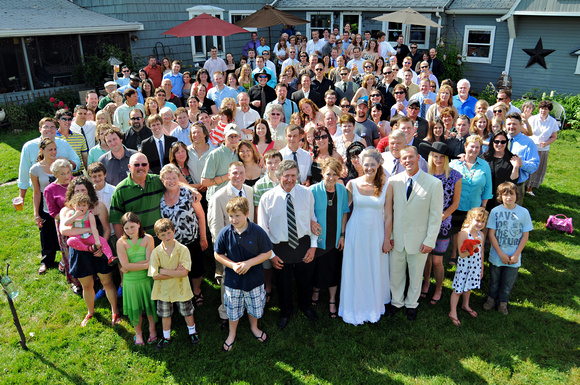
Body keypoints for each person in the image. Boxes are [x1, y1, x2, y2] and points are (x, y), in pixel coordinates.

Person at [258, 160, 318, 330]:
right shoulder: (267, 198)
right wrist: (271, 255)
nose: (290, 179)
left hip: (303, 243)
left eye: (293, 175)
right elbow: (263, 230)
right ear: (279, 177)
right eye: (286, 176)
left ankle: (305, 307)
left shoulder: (306, 194)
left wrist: (313, 246)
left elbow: (313, 221)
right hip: (280, 247)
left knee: (305, 280)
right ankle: (285, 312)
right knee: (283, 283)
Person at [387, 146, 443, 321]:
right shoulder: (394, 181)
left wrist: (430, 240)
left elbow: (435, 216)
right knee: (395, 273)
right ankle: (396, 302)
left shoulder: (434, 183)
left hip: (419, 239)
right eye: (404, 158)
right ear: (401, 161)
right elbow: (390, 212)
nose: (407, 161)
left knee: (416, 274)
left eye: (411, 157)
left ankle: (412, 304)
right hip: (397, 238)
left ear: (418, 158)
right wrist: (389, 237)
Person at [339, 149, 391, 324]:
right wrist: (343, 234)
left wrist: (386, 239)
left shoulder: (386, 185)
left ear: (378, 165)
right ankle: (354, 306)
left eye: (372, 164)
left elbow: (389, 215)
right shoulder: (352, 184)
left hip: (376, 233)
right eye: (366, 164)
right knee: (357, 268)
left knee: (374, 267)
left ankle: (373, 305)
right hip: (356, 232)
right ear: (361, 164)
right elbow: (345, 212)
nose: (369, 168)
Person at [213, 197, 272, 352]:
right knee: (233, 309)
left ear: (247, 213)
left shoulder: (257, 231)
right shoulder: (225, 233)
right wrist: (232, 265)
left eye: (238, 215)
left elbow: (267, 253)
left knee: (255, 307)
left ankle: (254, 327)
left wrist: (249, 263)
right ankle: (232, 333)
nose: (234, 219)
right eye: (231, 216)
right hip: (233, 281)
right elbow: (218, 254)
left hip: (254, 280)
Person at [59, 177, 118, 325]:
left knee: (107, 282)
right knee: (86, 285)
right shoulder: (67, 210)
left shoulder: (98, 207)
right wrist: (89, 229)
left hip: (98, 248)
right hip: (79, 251)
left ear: (89, 191)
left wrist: (99, 247)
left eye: (83, 190)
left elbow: (105, 229)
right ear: (72, 193)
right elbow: (64, 230)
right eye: (76, 190)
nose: (79, 193)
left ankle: (115, 312)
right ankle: (90, 312)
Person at [417, 142, 462, 306]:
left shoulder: (455, 176)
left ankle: (439, 288)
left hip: (443, 223)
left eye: (442, 157)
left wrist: (441, 217)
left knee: (437, 260)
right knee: (426, 258)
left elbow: (455, 203)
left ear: (447, 158)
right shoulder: (423, 174)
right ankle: (426, 283)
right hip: (424, 222)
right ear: (430, 157)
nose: (438, 159)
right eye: (435, 156)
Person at [159, 164, 208, 307]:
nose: (171, 181)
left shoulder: (189, 194)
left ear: (178, 178)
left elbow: (200, 216)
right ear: (162, 180)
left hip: (192, 239)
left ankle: (197, 290)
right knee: (177, 268)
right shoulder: (160, 198)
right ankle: (182, 292)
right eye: (167, 178)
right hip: (172, 244)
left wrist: (203, 237)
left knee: (196, 267)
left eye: (174, 177)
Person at [149, 218, 200, 350]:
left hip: (181, 288)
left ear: (174, 231)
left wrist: (163, 271)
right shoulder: (156, 252)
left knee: (187, 312)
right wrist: (174, 272)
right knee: (165, 315)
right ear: (158, 236)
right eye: (163, 235)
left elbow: (184, 273)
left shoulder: (183, 250)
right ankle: (166, 336)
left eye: (169, 233)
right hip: (163, 291)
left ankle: (192, 332)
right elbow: (155, 276)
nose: (167, 237)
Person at [484, 182, 533, 315]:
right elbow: (491, 235)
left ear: (516, 195)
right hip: (497, 255)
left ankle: (503, 302)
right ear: (500, 196)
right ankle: (491, 299)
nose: (508, 197)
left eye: (511, 194)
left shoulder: (523, 212)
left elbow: (525, 235)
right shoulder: (495, 211)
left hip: (514, 256)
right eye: (505, 195)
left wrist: (517, 254)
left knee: (507, 284)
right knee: (494, 282)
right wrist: (500, 253)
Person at [309, 158, 349, 319]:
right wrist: (311, 221)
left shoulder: (342, 190)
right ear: (322, 173)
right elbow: (306, 211)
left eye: (334, 174)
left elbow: (345, 212)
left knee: (333, 268)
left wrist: (342, 235)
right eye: (328, 174)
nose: (331, 177)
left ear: (339, 175)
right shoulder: (313, 190)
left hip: (335, 237)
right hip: (318, 238)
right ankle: (316, 291)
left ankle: (332, 299)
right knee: (317, 267)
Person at [449, 135, 493, 264]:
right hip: (457, 205)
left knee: (472, 231)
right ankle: (454, 253)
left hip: (475, 207)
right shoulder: (454, 164)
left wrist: (483, 207)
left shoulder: (484, 165)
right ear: (465, 147)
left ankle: (469, 253)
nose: (474, 149)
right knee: (456, 231)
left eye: (477, 147)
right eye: (471, 146)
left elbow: (488, 188)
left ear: (480, 149)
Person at [116, 212, 157, 345]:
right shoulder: (121, 242)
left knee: (150, 306)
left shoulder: (148, 238)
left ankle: (152, 329)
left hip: (146, 279)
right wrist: (144, 265)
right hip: (131, 282)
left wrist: (129, 266)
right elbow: (125, 264)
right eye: (126, 228)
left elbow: (149, 261)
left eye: (132, 227)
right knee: (135, 309)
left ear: (139, 224)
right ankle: (138, 333)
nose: (130, 231)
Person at [448, 207, 488, 327]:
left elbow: (481, 252)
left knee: (469, 286)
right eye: (477, 220)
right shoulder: (464, 233)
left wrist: (481, 267)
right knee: (458, 289)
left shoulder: (481, 234)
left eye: (483, 221)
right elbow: (461, 254)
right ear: (470, 219)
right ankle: (452, 312)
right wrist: (473, 248)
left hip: (474, 265)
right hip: (464, 266)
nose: (480, 224)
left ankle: (465, 305)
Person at [30, 138, 60, 274]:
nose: (53, 152)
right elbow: (36, 192)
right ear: (42, 150)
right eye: (50, 150)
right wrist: (36, 214)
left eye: (55, 149)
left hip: (61, 203)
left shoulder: (60, 164)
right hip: (46, 204)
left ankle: (66, 258)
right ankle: (46, 261)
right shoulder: (35, 169)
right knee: (46, 233)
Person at [63, 193, 114, 264]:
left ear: (88, 206)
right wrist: (76, 215)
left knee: (102, 240)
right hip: (77, 238)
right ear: (73, 205)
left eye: (84, 205)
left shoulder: (89, 214)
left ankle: (110, 257)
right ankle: (88, 249)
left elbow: (94, 228)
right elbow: (66, 223)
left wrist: (97, 241)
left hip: (88, 236)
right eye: (78, 205)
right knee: (70, 241)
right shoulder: (71, 213)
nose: (81, 208)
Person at [482, 130, 520, 213]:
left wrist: (516, 167)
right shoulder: (484, 157)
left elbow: (513, 181)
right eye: (497, 141)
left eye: (503, 142)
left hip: (502, 198)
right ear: (492, 142)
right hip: (486, 196)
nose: (499, 144)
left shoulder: (511, 158)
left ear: (506, 143)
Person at [505, 113, 539, 205]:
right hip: (500, 183)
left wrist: (521, 164)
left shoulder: (528, 143)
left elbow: (534, 166)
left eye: (514, 124)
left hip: (517, 185)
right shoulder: (500, 140)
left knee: (515, 213)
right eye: (508, 124)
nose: (511, 126)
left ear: (521, 125)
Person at [526, 100, 559, 196]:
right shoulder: (532, 119)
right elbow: (526, 132)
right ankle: (524, 185)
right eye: (541, 108)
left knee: (538, 168)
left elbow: (554, 137)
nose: (543, 111)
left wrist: (546, 142)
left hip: (543, 149)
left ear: (549, 110)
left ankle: (530, 187)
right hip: (531, 147)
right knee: (528, 166)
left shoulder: (552, 122)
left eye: (545, 109)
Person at [201, 127, 241, 201]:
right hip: (217, 200)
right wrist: (228, 176)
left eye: (236, 136)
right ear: (223, 137)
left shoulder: (240, 153)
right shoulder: (214, 155)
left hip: (235, 200)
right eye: (230, 136)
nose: (233, 139)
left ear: (239, 137)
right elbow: (204, 182)